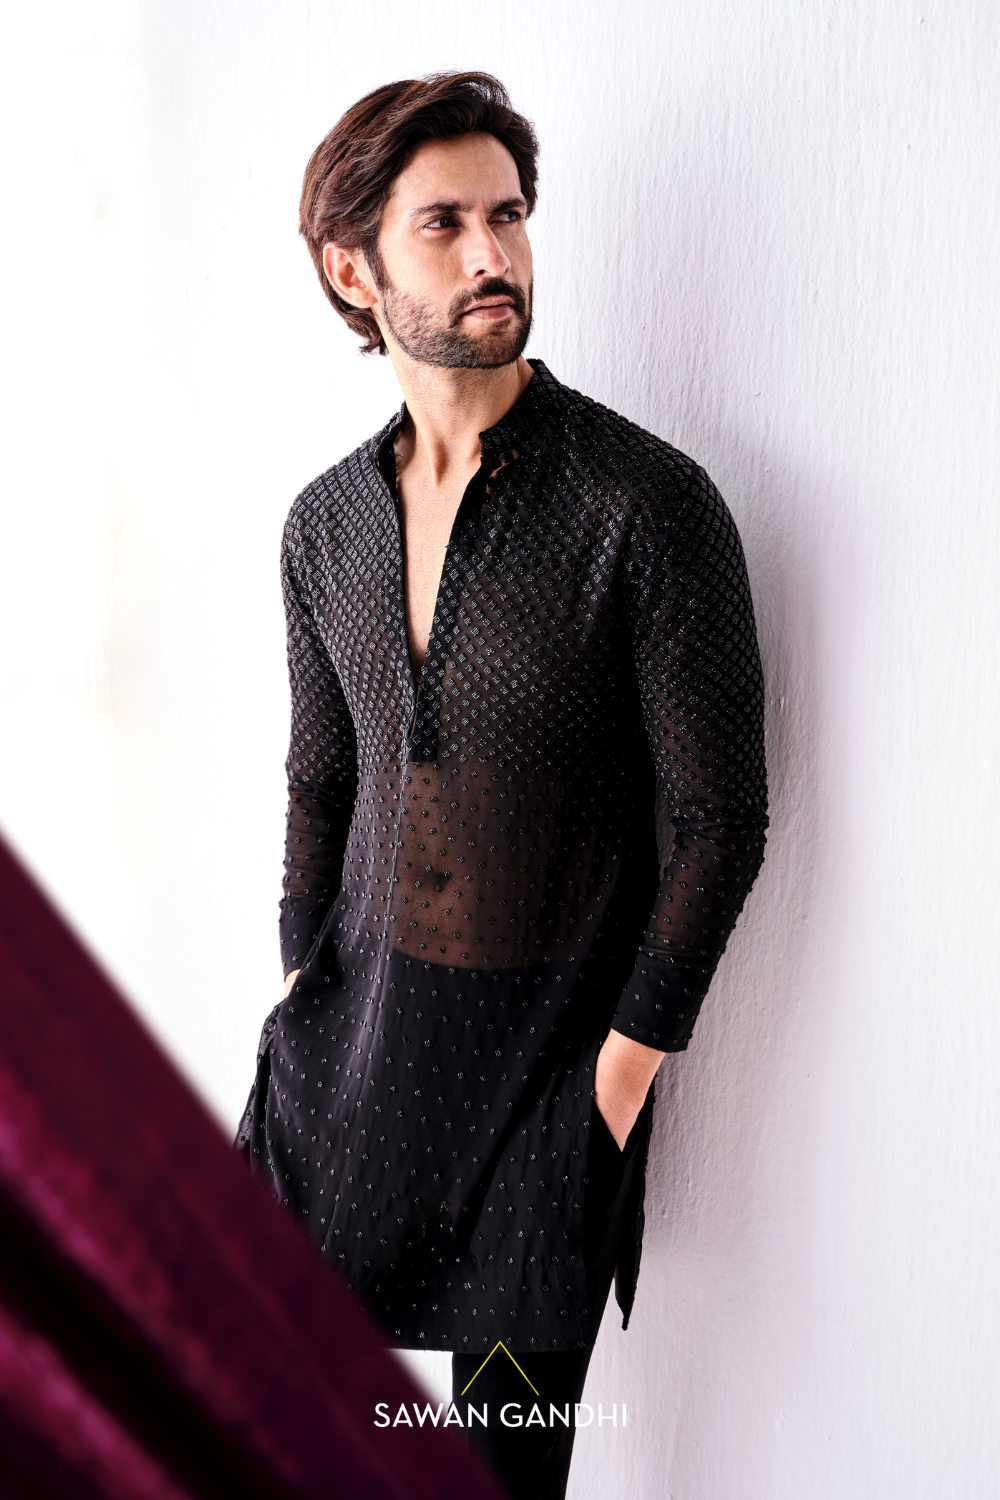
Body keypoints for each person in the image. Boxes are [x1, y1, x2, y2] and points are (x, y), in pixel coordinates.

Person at [237, 71, 768, 1500]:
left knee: (502, 1470)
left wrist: (610, 1091)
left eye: (511, 215)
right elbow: (319, 780)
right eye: (446, 224)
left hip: (543, 1111)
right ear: (353, 271)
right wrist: (300, 989)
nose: (495, 254)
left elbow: (720, 823)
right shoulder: (323, 526)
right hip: (339, 1085)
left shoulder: (644, 506)